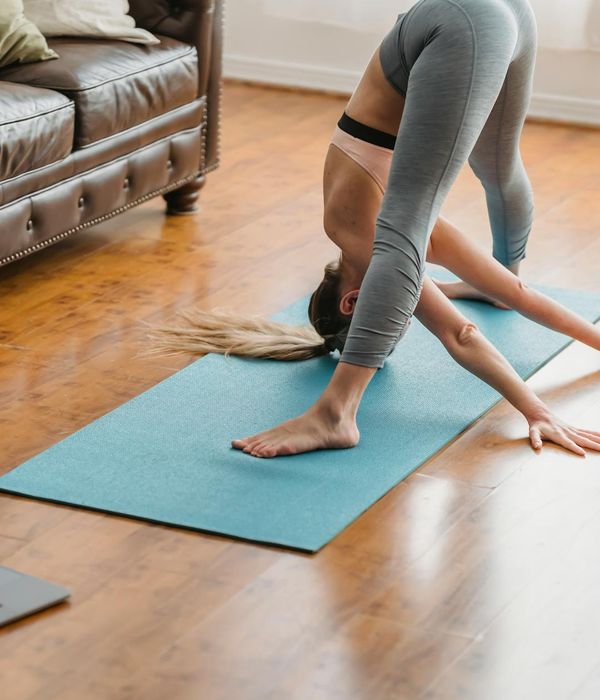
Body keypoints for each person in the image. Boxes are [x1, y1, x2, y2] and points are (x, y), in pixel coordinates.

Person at [149, 0, 600, 457]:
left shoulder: (360, 234)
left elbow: (460, 334)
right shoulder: (383, 228)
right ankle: (500, 280)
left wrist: (536, 410)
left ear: (354, 301)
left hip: (464, 24)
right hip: (497, 13)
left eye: (391, 320)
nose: (406, 310)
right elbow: (520, 293)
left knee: (442, 210)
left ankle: (335, 412)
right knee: (500, 169)